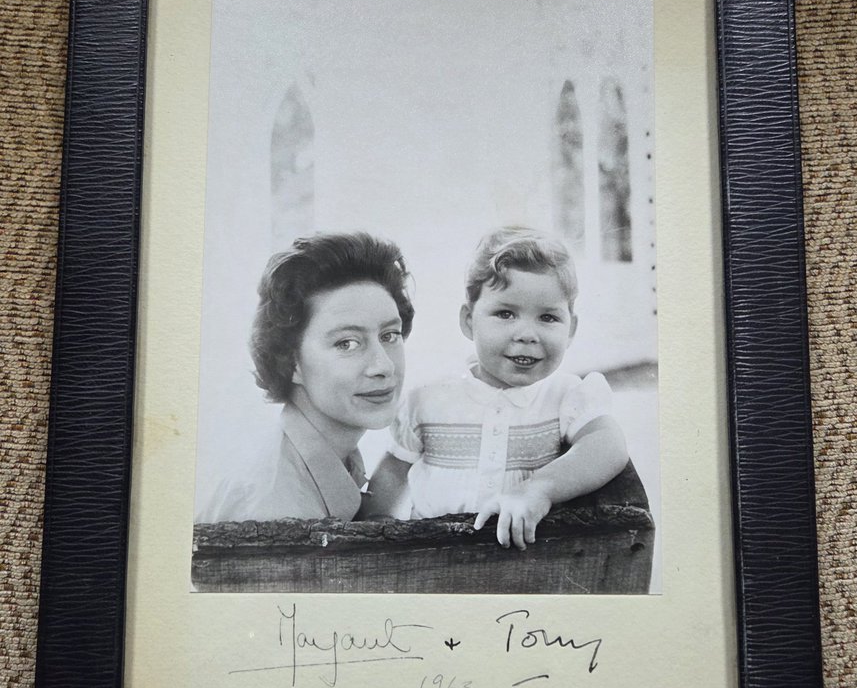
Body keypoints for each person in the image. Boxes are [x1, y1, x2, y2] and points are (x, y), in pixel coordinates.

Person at [368, 227, 628, 550]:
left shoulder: (565, 396)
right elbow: (391, 476)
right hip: (432, 559)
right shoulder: (428, 400)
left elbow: (608, 444)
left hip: (527, 560)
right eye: (505, 313)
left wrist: (538, 490)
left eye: (548, 318)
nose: (526, 334)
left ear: (571, 328)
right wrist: (377, 533)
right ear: (468, 321)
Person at [197, 232, 414, 523]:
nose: (383, 366)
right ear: (292, 362)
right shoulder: (274, 508)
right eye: (347, 343)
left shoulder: (333, 458)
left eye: (389, 335)